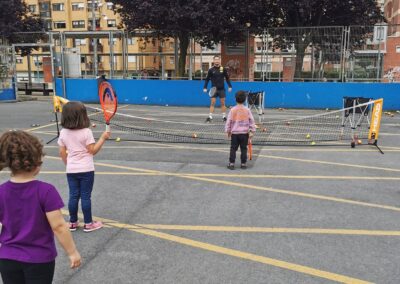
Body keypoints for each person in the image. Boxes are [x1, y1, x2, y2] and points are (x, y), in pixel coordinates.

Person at [0, 130, 81, 284]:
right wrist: (72, 252)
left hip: (7, 257)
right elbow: (58, 226)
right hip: (39, 259)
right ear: (35, 161)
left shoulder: (1, 192)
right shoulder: (45, 191)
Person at [58, 101, 110, 232]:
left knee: (73, 195)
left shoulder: (63, 132)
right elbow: (92, 150)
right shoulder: (86, 132)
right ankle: (88, 223)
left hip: (71, 170)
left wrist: (68, 164)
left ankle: (72, 222)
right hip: (86, 169)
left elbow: (62, 152)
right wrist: (103, 138)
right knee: (86, 196)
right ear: (82, 116)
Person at [225, 91, 256, 170]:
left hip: (235, 134)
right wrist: (252, 131)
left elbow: (229, 121)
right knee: (243, 149)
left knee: (233, 148)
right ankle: (243, 163)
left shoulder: (232, 110)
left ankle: (231, 163)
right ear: (245, 99)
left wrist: (228, 131)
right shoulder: (247, 110)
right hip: (244, 134)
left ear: (235, 99)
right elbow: (252, 121)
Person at [203, 56, 232, 123]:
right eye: (215, 60)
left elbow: (227, 78)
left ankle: (224, 117)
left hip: (222, 89)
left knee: (223, 103)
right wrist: (205, 87)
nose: (217, 61)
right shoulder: (211, 70)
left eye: (218, 60)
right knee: (212, 103)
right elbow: (207, 79)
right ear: (213, 61)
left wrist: (230, 86)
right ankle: (210, 117)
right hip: (213, 89)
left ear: (220, 60)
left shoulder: (223, 69)